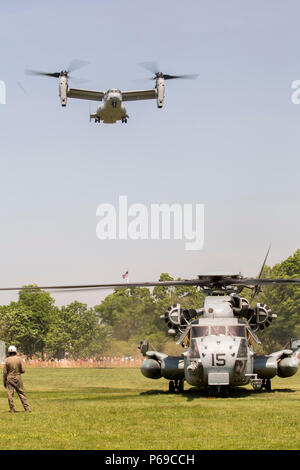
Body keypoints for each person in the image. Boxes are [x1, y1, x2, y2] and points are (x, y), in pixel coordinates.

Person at [3, 345, 31, 413]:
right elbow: (23, 370)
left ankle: (12, 409)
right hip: (18, 377)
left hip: (9, 378)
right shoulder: (19, 359)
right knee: (21, 393)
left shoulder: (7, 360)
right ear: (15, 351)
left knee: (10, 394)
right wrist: (18, 371)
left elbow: (4, 373)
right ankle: (27, 409)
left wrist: (4, 381)